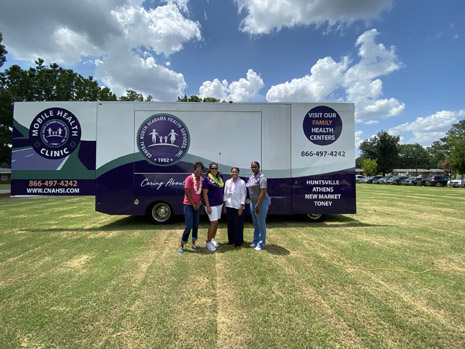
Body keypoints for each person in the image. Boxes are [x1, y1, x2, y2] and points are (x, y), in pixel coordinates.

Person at [179, 161, 204, 254]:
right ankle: (182, 244)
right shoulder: (189, 178)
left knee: (195, 225)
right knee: (189, 226)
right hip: (188, 205)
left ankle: (193, 244)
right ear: (194, 170)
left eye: (201, 170)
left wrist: (199, 203)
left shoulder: (202, 180)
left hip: (197, 206)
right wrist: (193, 204)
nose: (199, 172)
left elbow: (202, 193)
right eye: (198, 170)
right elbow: (187, 191)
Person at [246, 161, 271, 251]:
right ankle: (255, 241)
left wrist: (258, 205)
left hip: (261, 202)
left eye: (255, 167)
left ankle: (261, 243)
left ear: (259, 167)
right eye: (252, 167)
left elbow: (263, 192)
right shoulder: (252, 177)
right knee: (256, 223)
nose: (253, 169)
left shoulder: (262, 178)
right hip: (253, 202)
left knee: (261, 223)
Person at [202, 162, 224, 252]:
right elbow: (204, 194)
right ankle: (208, 242)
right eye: (212, 168)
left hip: (219, 204)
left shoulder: (219, 178)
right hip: (211, 204)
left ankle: (213, 239)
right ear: (210, 169)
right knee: (213, 223)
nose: (214, 170)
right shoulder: (207, 180)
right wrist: (208, 206)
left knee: (216, 222)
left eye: (215, 168)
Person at [223, 167, 247, 246]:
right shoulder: (227, 182)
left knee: (238, 224)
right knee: (230, 224)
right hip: (229, 205)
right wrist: (224, 205)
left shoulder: (242, 182)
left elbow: (244, 195)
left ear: (238, 173)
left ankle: (238, 241)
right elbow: (225, 194)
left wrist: (241, 207)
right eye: (232, 172)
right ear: (231, 173)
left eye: (235, 172)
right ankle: (231, 240)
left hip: (238, 206)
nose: (234, 173)